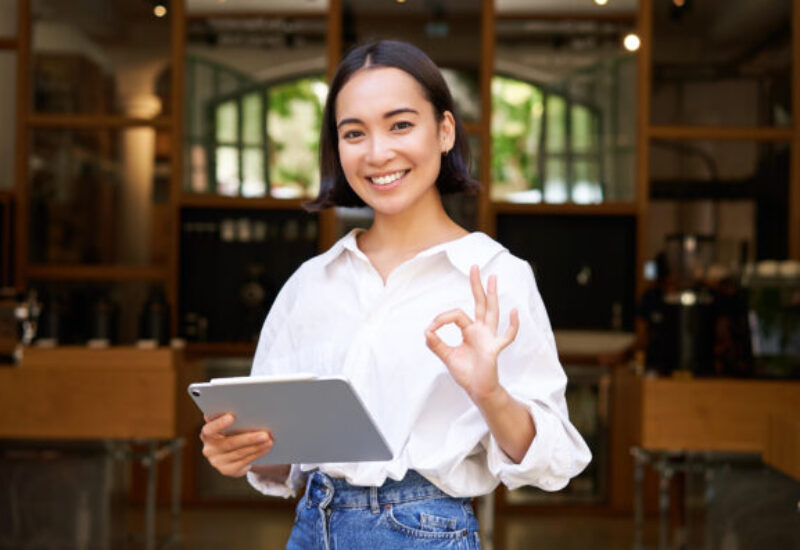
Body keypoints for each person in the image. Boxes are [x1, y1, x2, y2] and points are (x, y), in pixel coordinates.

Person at [200, 40, 591, 549]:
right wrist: (242, 448)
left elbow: (554, 461)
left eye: (400, 124)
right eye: (354, 133)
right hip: (311, 528)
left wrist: (490, 394)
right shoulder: (311, 283)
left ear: (444, 130)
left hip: (424, 531)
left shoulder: (494, 277)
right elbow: (282, 454)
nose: (378, 152)